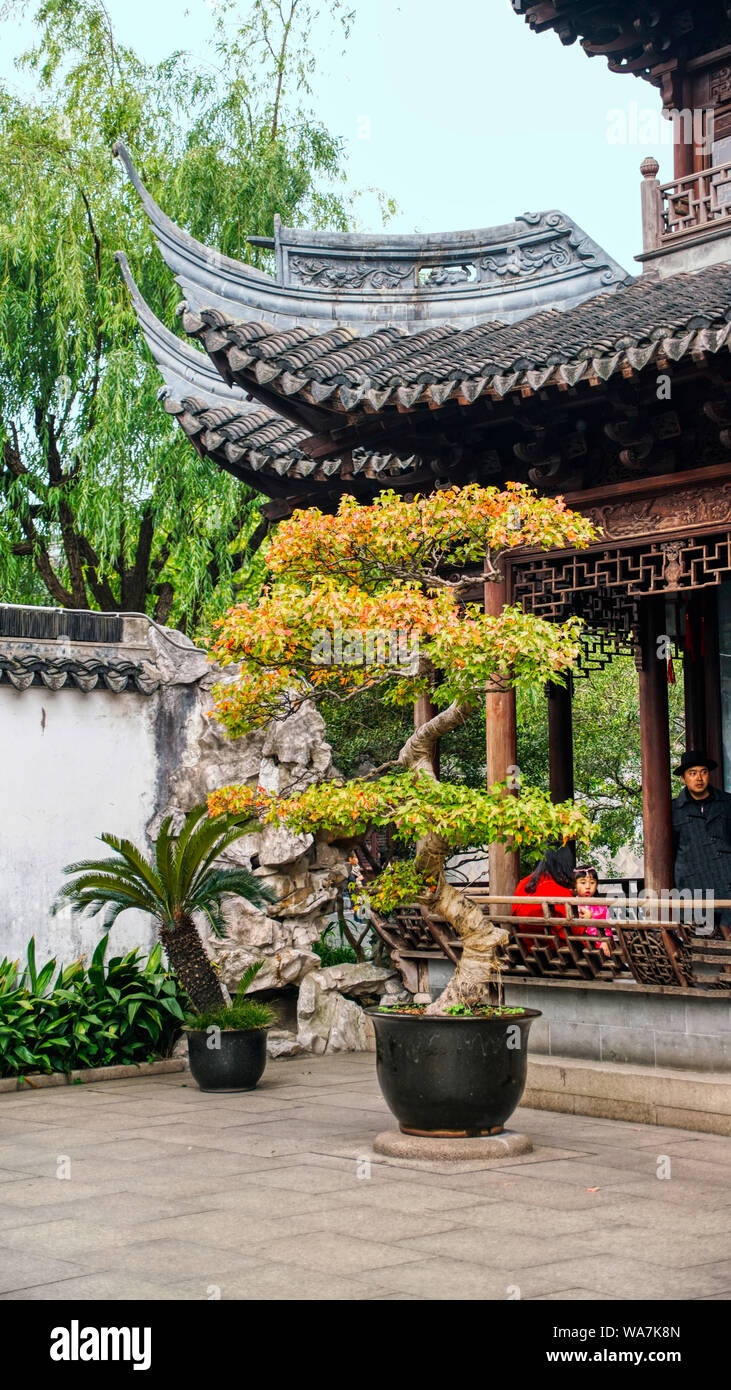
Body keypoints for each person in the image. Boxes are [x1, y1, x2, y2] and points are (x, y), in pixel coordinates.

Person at [672, 749, 731, 932]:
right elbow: (671, 851)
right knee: (700, 946)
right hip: (693, 887)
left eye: (703, 772)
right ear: (683, 778)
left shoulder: (727, 803)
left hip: (726, 882)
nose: (699, 778)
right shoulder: (674, 809)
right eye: (692, 773)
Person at [511, 844, 580, 945]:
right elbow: (573, 931)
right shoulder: (558, 889)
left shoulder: (523, 883)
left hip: (525, 943)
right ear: (565, 864)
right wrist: (585, 920)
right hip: (553, 946)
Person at [573, 864, 613, 956]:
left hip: (599, 946)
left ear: (596, 884)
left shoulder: (601, 905)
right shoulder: (572, 904)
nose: (588, 886)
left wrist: (605, 942)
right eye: (583, 883)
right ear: (575, 884)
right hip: (579, 946)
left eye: (592, 883)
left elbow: (607, 929)